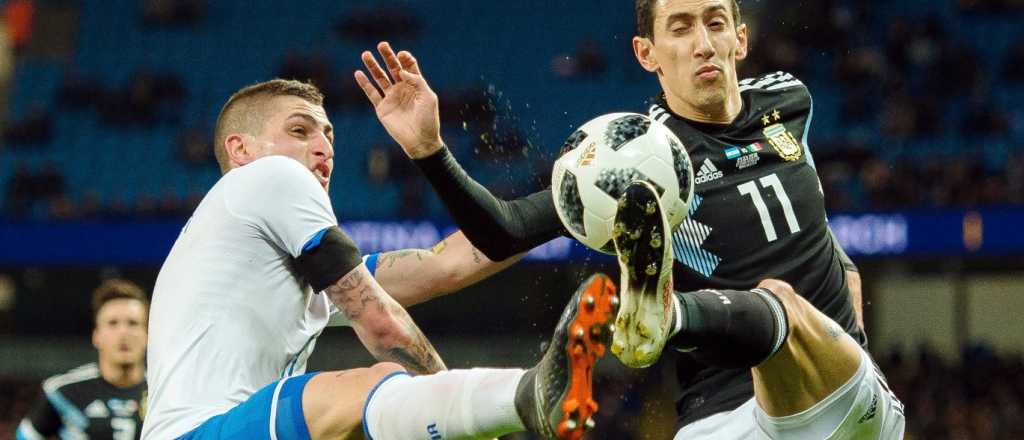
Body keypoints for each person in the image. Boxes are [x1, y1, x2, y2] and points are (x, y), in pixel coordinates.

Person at [352, 0, 905, 436]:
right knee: (779, 306)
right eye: (682, 28)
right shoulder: (632, 159)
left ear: (741, 37)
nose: (703, 43)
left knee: (782, 301)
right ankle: (663, 316)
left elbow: (810, 225)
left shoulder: (790, 101)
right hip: (719, 422)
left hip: (840, 401)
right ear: (647, 53)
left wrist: (845, 286)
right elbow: (506, 230)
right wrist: (431, 152)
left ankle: (666, 317)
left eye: (716, 22)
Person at [139, 78, 618, 440]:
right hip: (198, 432)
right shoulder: (269, 179)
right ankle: (528, 393)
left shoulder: (266, 258)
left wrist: (573, 203)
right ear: (240, 150)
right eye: (299, 130)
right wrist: (461, 406)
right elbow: (381, 323)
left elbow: (442, 265)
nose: (324, 146)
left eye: (328, 134)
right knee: (379, 382)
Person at [16, 279, 148, 440]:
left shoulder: (165, 392)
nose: (123, 332)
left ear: (147, 335)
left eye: (133, 323)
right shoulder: (62, 392)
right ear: (96, 336)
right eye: (113, 323)